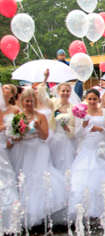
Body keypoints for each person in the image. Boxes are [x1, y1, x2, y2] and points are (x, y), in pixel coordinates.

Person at [8, 88, 66, 228]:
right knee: (25, 178)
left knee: (41, 176)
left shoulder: (40, 116)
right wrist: (21, 133)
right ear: (22, 102)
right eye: (27, 101)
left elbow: (45, 136)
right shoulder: (18, 116)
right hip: (24, 149)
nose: (29, 103)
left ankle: (44, 211)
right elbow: (15, 137)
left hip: (39, 149)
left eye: (31, 101)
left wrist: (38, 127)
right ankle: (26, 213)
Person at [69, 89, 105, 219]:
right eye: (89, 99)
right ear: (86, 99)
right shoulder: (81, 113)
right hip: (87, 147)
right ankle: (86, 209)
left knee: (104, 176)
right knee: (86, 177)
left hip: (102, 146)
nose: (91, 101)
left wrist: (100, 129)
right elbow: (77, 135)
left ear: (98, 99)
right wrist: (83, 125)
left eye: (94, 99)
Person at [0, 84, 19, 232]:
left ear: (12, 94)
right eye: (3, 88)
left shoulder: (15, 110)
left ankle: (13, 216)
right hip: (2, 144)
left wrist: (14, 136)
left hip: (13, 145)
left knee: (13, 175)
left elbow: (19, 128)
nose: (3, 90)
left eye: (7, 88)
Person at [48, 83, 76, 174]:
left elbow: (75, 125)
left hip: (66, 138)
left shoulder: (73, 108)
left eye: (67, 91)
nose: (65, 93)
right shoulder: (53, 103)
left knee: (65, 162)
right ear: (58, 92)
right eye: (63, 91)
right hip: (54, 137)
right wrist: (45, 79)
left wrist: (66, 127)